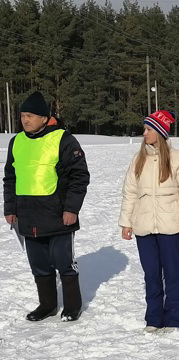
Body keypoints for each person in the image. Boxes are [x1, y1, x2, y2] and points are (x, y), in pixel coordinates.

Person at [3, 91, 90, 322]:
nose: (25, 120)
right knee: (39, 265)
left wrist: (71, 209)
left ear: (44, 117)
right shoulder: (16, 141)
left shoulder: (63, 139)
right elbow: (10, 178)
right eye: (22, 115)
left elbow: (79, 176)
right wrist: (10, 209)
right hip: (28, 216)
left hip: (58, 216)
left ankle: (72, 306)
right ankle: (48, 305)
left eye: (30, 115)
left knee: (64, 263)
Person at [118, 110, 179, 334]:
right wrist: (126, 222)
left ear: (160, 132)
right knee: (151, 274)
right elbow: (130, 192)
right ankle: (153, 318)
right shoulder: (138, 159)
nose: (144, 134)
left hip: (170, 226)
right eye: (144, 129)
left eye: (148, 129)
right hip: (144, 227)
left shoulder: (177, 158)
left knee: (171, 273)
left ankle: (173, 318)